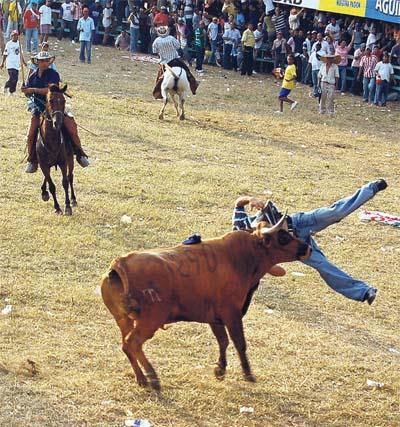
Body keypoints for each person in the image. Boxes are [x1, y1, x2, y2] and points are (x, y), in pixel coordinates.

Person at [232, 179, 388, 305]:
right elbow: (281, 272)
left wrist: (250, 199)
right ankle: (364, 292)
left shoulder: (239, 228)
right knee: (323, 266)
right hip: (294, 246)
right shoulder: (253, 257)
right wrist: (265, 266)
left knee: (334, 213)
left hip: (297, 223)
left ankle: (371, 188)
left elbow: (238, 203)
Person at [22, 51, 90, 173]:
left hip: (55, 107)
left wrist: (32, 89)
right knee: (31, 134)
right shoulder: (32, 76)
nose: (44, 63)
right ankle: (32, 160)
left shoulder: (54, 75)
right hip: (38, 108)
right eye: (41, 61)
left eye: (46, 60)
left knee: (71, 126)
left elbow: (50, 91)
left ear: (49, 62)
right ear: (37, 62)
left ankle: (80, 153)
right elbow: (29, 94)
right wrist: (26, 91)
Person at [152, 25, 198, 99]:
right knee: (187, 72)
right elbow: (178, 46)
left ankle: (158, 93)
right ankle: (194, 84)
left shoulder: (156, 41)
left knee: (160, 78)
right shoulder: (171, 38)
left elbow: (154, 51)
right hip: (175, 60)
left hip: (165, 62)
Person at [1, 30, 26, 96]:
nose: (15, 36)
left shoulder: (19, 43)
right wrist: (2, 63)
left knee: (16, 79)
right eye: (14, 35)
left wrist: (23, 62)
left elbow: (21, 54)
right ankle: (7, 86)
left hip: (16, 64)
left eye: (16, 35)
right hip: (10, 64)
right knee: (13, 78)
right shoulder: (9, 44)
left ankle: (12, 91)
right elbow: (5, 54)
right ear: (11, 36)